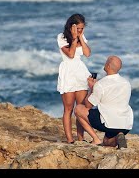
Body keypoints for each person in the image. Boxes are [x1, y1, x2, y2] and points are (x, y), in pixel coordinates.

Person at [74, 55, 133, 149]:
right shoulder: (126, 83)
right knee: (107, 142)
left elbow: (88, 105)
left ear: (108, 66)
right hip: (125, 124)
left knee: (78, 109)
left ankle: (95, 139)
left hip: (108, 122)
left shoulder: (101, 84)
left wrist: (92, 88)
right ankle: (118, 137)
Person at [57, 13, 92, 144]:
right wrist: (73, 38)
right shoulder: (61, 37)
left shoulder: (82, 36)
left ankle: (81, 138)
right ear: (72, 26)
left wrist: (81, 37)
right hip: (68, 72)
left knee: (80, 108)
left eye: (82, 29)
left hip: (80, 72)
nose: (80, 31)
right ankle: (70, 139)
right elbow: (70, 54)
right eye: (78, 28)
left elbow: (87, 54)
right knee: (68, 109)